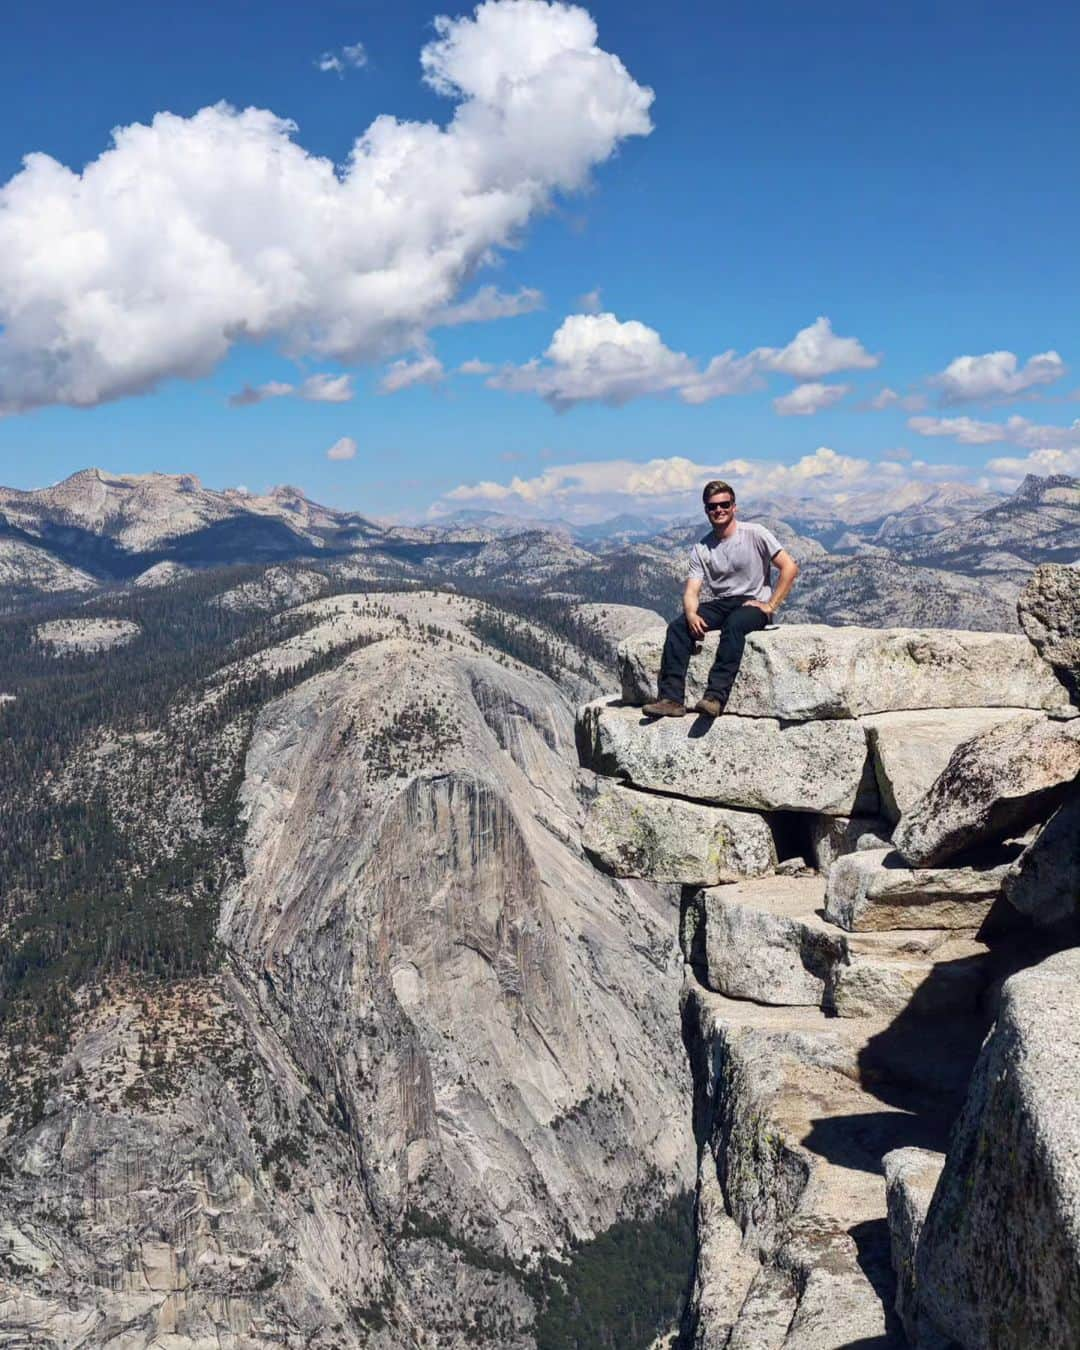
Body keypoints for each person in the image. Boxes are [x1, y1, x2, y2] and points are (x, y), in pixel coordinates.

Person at [643, 480, 800, 719]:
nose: (719, 510)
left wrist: (770, 605)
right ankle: (671, 699)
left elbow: (789, 568)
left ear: (734, 507)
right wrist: (691, 615)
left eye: (724, 504)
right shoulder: (702, 548)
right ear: (706, 510)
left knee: (735, 624)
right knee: (678, 627)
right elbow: (691, 591)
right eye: (712, 506)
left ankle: (715, 697)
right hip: (723, 602)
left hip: (753, 603)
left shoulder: (755, 533)